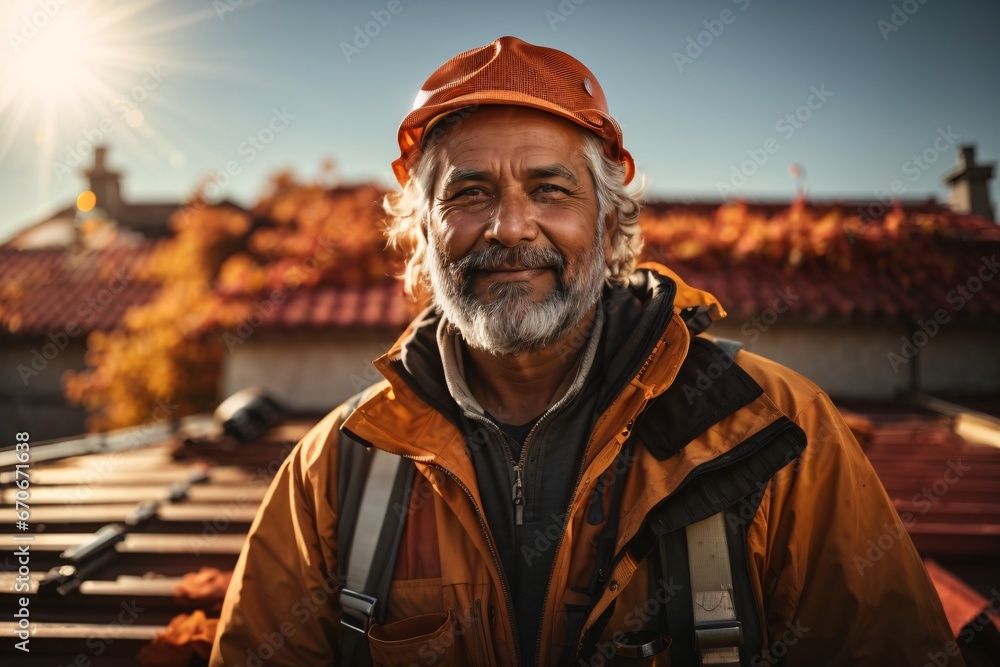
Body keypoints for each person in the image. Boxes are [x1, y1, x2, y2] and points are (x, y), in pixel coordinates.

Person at [210, 36, 960, 666]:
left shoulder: (775, 432)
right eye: (469, 192)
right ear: (422, 233)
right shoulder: (333, 470)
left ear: (608, 228)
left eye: (549, 189)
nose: (509, 226)